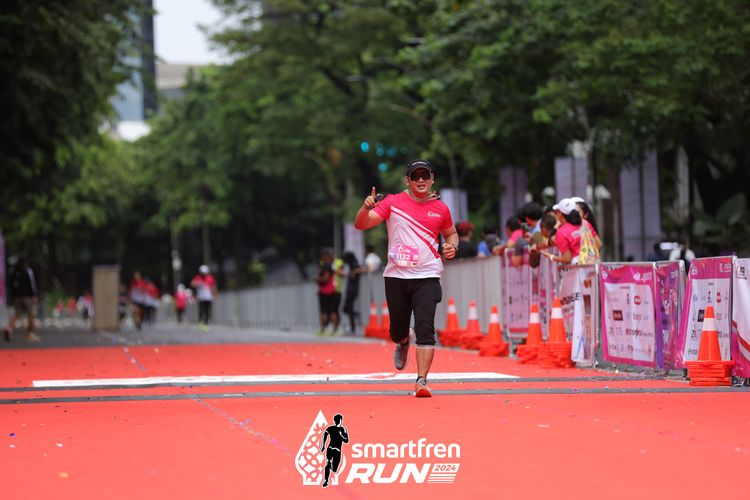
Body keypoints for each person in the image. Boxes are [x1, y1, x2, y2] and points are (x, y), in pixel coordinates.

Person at [354, 159, 458, 398]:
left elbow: (451, 234)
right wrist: (365, 208)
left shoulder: (441, 209)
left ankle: (421, 381)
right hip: (396, 276)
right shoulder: (392, 202)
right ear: (407, 180)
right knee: (397, 330)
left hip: (428, 275)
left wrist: (452, 246)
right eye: (415, 176)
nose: (420, 180)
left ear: (432, 179)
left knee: (425, 328)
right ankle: (403, 342)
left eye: (425, 176)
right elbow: (362, 224)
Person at [542, 198, 602, 265]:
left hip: (576, 268)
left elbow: (567, 259)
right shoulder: (585, 223)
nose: (556, 215)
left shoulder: (561, 232)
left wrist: (551, 256)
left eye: (556, 212)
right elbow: (599, 244)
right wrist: (588, 256)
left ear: (560, 214)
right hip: (593, 265)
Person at [3, 257, 41, 343]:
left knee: (17, 314)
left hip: (16, 297)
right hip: (27, 296)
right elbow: (31, 284)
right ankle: (30, 334)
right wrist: (34, 295)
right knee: (31, 314)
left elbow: (10, 284)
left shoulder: (14, 272)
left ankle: (9, 329)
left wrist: (12, 297)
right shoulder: (27, 271)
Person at [315, 248, 344, 335]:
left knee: (326, 311)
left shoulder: (331, 264)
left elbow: (326, 278)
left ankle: (325, 329)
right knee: (331, 311)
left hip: (331, 290)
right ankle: (332, 329)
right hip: (332, 290)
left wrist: (317, 279)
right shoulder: (327, 264)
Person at [319, 413, 349, 488]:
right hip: (333, 449)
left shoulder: (342, 429)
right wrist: (323, 445)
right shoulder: (332, 428)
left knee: (334, 469)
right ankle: (326, 480)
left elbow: (346, 440)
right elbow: (325, 435)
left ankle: (329, 468)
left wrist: (341, 435)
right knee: (328, 463)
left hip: (334, 450)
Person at [341, 252, 365, 335]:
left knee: (349, 308)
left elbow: (363, 269)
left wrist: (354, 271)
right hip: (350, 289)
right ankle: (355, 317)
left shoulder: (354, 264)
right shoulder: (351, 265)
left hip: (353, 289)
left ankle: (353, 327)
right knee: (346, 309)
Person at [191, 265, 217, 331]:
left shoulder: (210, 278)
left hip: (208, 297)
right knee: (201, 310)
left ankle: (206, 324)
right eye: (202, 273)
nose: (203, 274)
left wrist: (214, 295)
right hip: (201, 297)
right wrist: (198, 283)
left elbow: (213, 287)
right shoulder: (198, 277)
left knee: (207, 311)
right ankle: (200, 321)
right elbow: (192, 284)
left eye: (205, 273)